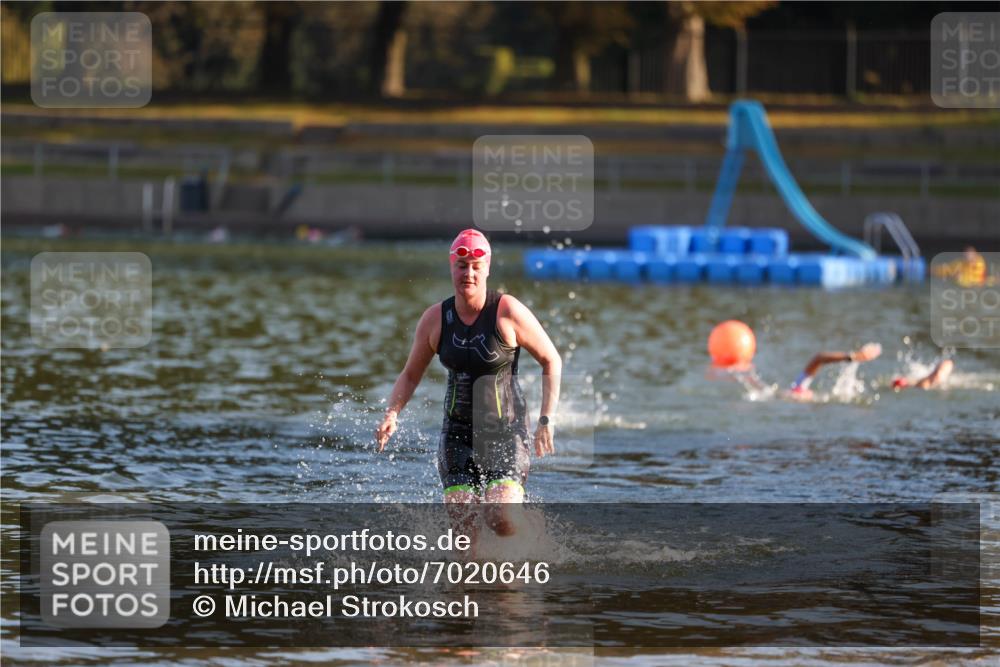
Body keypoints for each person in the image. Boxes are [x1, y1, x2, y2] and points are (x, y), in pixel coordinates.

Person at [375, 229, 561, 538]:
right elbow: (410, 374)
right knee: (463, 522)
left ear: (487, 267)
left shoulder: (507, 312)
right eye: (462, 266)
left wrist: (546, 420)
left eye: (476, 266)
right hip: (457, 434)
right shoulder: (436, 318)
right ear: (452, 267)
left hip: (505, 432)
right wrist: (391, 414)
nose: (469, 274)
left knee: (500, 517)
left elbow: (551, 360)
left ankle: (529, 535)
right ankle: (467, 585)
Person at [786, 343, 882, 401]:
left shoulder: (798, 388)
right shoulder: (797, 390)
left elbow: (819, 358)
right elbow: (818, 359)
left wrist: (852, 357)